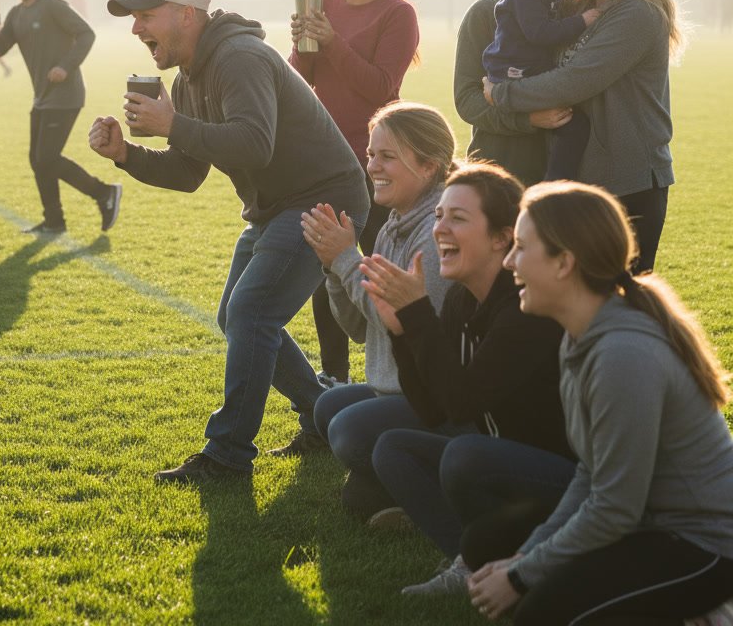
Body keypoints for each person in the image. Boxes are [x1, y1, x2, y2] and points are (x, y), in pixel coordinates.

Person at [88, 0, 369, 483]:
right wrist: (126, 154)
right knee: (237, 317)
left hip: (322, 200)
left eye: (145, 16)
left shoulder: (239, 57)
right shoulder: (188, 78)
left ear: (186, 15)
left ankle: (227, 456)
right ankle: (322, 415)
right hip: (277, 207)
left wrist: (171, 123)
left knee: (251, 312)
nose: (136, 28)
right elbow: (188, 172)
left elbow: (253, 144)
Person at [468, 181, 733, 626]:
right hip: (647, 522)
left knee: (542, 614)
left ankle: (710, 612)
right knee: (487, 544)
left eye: (521, 248)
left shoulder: (622, 355)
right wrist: (526, 557)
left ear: (564, 263)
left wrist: (522, 575)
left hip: (707, 545)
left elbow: (615, 508)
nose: (509, 261)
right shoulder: (581, 335)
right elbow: (590, 474)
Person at [359, 163, 572, 596]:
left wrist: (418, 313)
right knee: (393, 448)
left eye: (457, 218)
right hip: (506, 461)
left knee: (466, 455)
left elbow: (462, 403)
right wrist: (401, 332)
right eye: (439, 215)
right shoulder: (462, 298)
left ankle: (498, 558)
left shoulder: (524, 308)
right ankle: (472, 561)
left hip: (568, 477)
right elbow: (433, 410)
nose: (440, 228)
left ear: (501, 238)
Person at [485, 0, 681, 272]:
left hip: (628, 183)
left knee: (619, 298)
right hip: (581, 180)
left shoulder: (637, 14)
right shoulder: (574, 8)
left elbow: (572, 82)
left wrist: (502, 93)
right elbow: (519, 25)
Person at [273, 103, 454, 507]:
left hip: (432, 399)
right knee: (327, 407)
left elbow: (396, 322)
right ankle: (390, 476)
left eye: (387, 156)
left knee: (347, 432)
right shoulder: (395, 223)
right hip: (391, 389)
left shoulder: (436, 231)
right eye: (371, 154)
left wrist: (345, 259)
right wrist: (333, 268)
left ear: (428, 166)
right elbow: (359, 329)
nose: (372, 166)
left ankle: (427, 477)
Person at [289, 0, 420, 386]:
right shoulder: (323, 3)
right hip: (326, 159)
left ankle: (402, 374)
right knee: (328, 267)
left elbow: (381, 87)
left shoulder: (397, 13)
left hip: (378, 161)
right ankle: (334, 379)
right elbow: (300, 80)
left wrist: (332, 42)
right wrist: (303, 45)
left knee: (381, 263)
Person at [0, 0, 121, 237]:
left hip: (66, 95)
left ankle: (104, 192)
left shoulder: (54, 6)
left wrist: (65, 66)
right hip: (42, 96)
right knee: (38, 160)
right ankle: (54, 221)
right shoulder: (16, 14)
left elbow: (87, 34)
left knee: (46, 158)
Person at [455, 0, 577, 187]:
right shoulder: (484, 12)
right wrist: (527, 119)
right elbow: (467, 100)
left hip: (562, 169)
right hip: (499, 165)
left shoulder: (570, 7)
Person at [482, 0, 600, 180]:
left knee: (568, 121)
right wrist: (582, 21)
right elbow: (539, 32)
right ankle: (555, 182)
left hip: (530, 68)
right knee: (574, 125)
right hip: (514, 70)